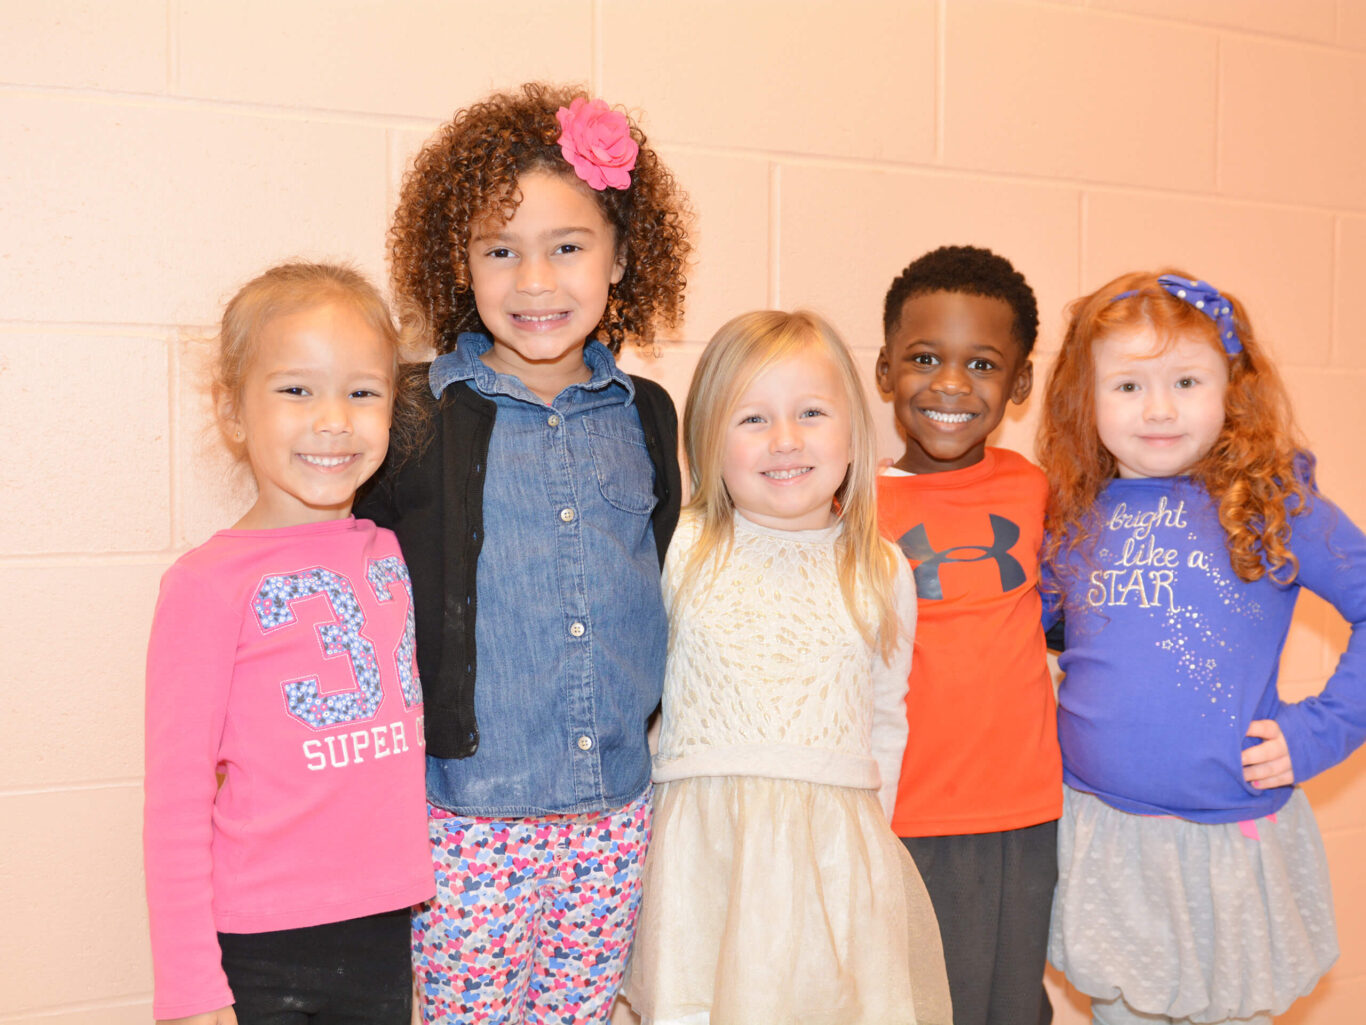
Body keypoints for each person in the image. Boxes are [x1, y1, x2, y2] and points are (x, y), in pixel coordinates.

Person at [355, 83, 690, 1024]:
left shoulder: (647, 415)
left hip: (613, 812)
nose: (534, 282)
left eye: (568, 247)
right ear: (459, 263)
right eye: (500, 251)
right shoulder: (413, 413)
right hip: (466, 819)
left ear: (622, 256)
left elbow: (666, 579)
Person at [1038, 270, 1366, 1025]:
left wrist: (1318, 731)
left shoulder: (1273, 504)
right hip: (1106, 837)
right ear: (1082, 399)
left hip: (1229, 849)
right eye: (1126, 386)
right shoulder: (1071, 512)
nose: (1158, 409)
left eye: (1186, 380)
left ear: (1233, 389)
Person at [622, 310, 952, 1025]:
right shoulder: (680, 550)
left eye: (810, 412)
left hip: (834, 859)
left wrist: (868, 845)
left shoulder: (880, 568)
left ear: (853, 432)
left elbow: (886, 716)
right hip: (702, 854)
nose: (786, 440)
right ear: (708, 437)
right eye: (752, 418)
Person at [143, 262, 434, 1024]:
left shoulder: (393, 553)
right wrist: (189, 986)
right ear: (233, 411)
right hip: (261, 945)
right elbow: (174, 798)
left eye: (362, 391)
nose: (334, 418)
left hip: (383, 930)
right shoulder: (206, 584)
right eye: (297, 390)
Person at [874, 245, 1061, 1025]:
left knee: (1014, 1008)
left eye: (982, 364)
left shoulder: (1033, 487)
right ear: (885, 370)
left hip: (1023, 812)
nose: (950, 384)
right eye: (924, 358)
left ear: (1019, 384)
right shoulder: (850, 503)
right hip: (902, 814)